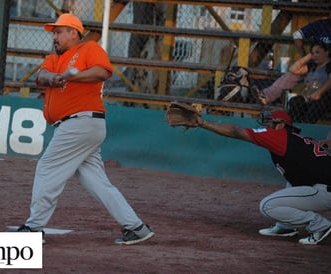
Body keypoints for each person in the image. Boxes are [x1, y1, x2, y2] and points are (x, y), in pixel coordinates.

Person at [17, 13, 154, 245]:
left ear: (74, 32)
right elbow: (41, 76)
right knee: (97, 182)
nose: (55, 37)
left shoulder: (89, 48)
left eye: (59, 32)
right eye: (54, 33)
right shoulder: (54, 58)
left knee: (48, 168)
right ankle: (136, 227)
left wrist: (74, 77)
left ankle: (33, 227)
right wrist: (54, 78)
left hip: (81, 123)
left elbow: (102, 72)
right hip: (79, 126)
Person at [171, 108, 331, 245]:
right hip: (322, 185)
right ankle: (285, 226)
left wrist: (202, 123)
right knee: (292, 178)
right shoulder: (297, 139)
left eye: (270, 122)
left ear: (281, 124)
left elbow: (235, 132)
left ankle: (319, 225)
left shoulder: (279, 136)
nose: (265, 125)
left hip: (325, 190)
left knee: (268, 206)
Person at [254, 41, 331, 123]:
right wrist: (309, 56)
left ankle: (306, 127)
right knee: (295, 101)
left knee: (315, 106)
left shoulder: (329, 66)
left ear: (327, 52)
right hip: (308, 97)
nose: (314, 55)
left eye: (317, 52)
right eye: (312, 53)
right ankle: (294, 127)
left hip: (323, 98)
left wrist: (319, 93)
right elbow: (293, 69)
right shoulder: (313, 66)